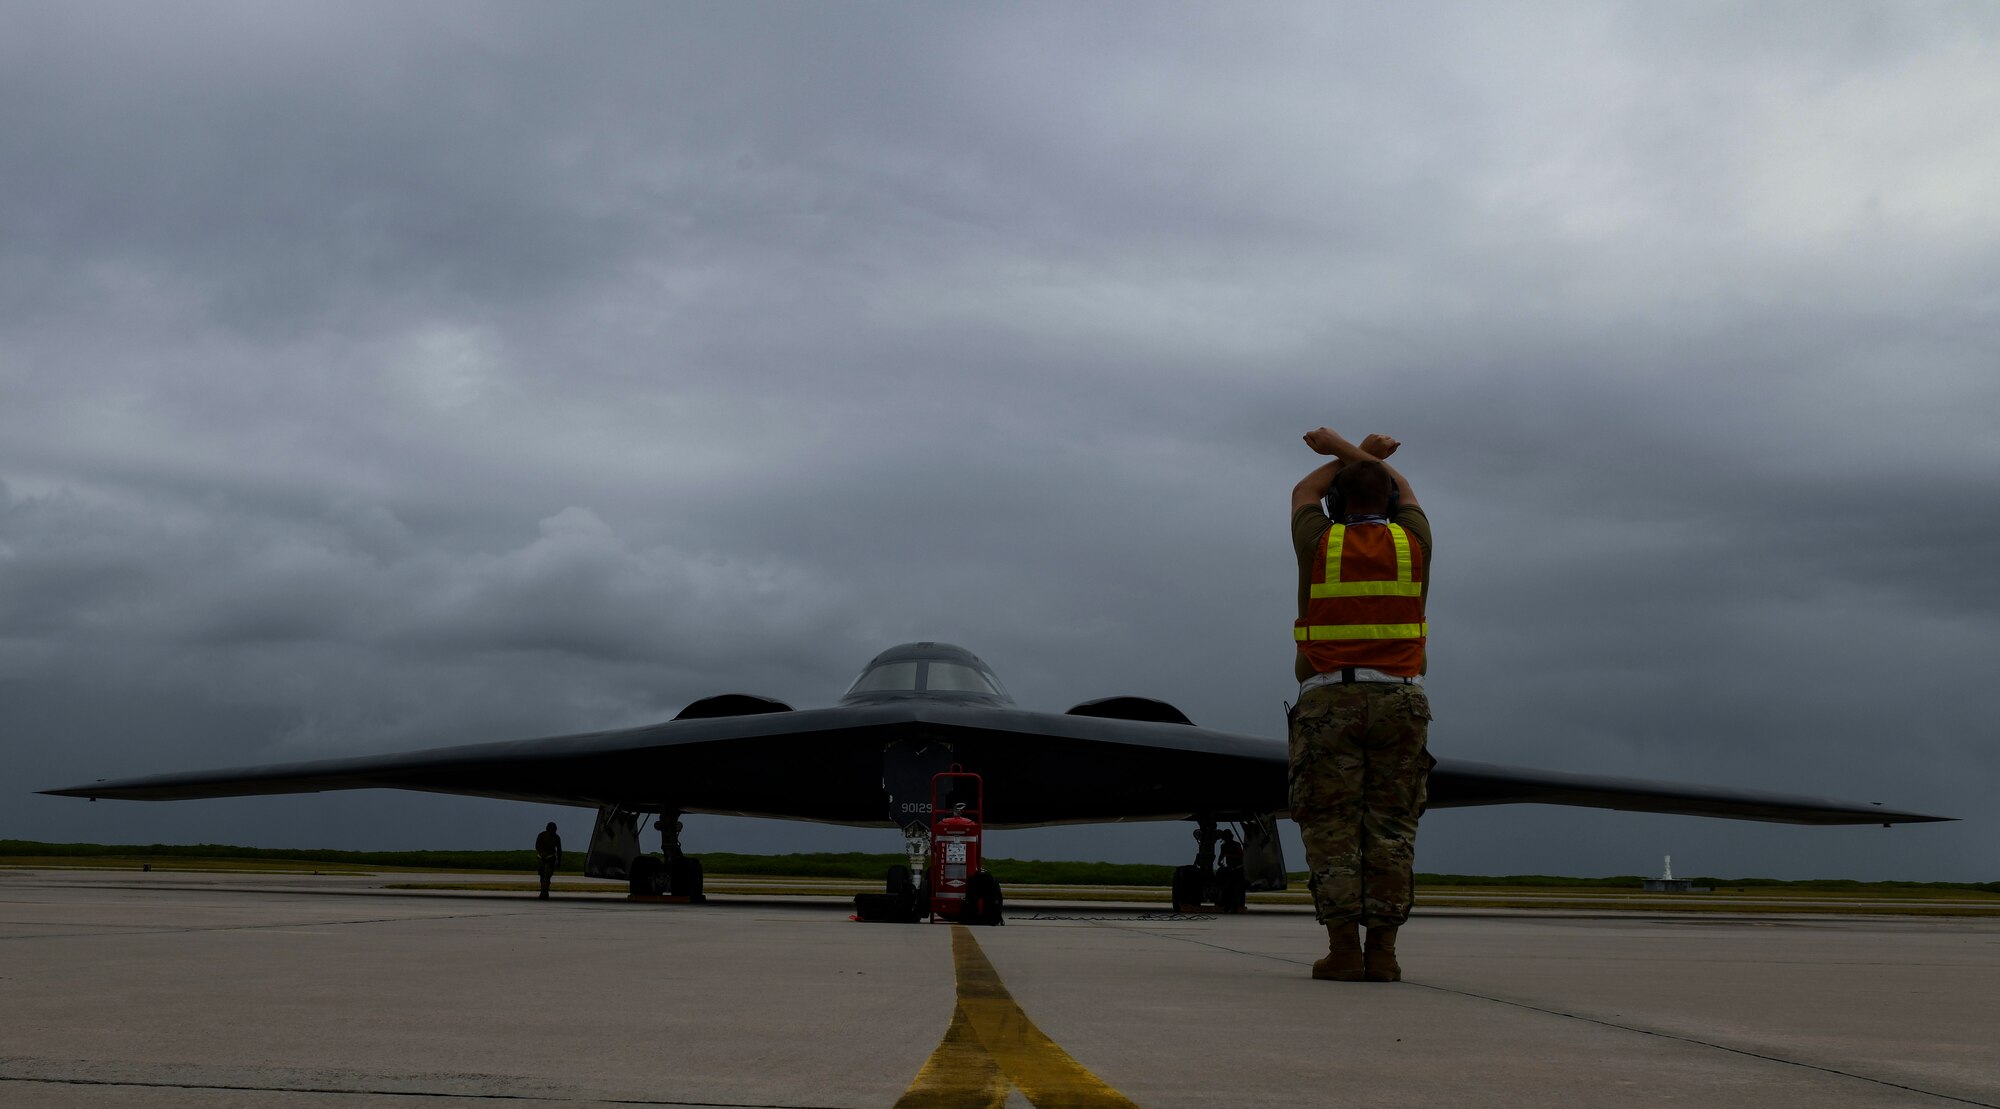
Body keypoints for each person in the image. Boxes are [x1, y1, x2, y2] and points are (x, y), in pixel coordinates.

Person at [1288, 425, 1433, 982]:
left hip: (1330, 701)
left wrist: (1347, 450)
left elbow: (1303, 490)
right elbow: (1408, 492)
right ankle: (1386, 954)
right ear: (1391, 503)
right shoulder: (1414, 542)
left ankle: (1344, 949)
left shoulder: (1318, 542)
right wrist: (1363, 455)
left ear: (1337, 504)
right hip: (1400, 700)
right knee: (1393, 826)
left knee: (1332, 825)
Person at [534, 822, 562, 899]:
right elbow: (537, 846)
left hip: (550, 859)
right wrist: (541, 853)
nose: (554, 831)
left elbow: (559, 850)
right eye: (553, 830)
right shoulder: (541, 835)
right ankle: (544, 891)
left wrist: (559, 861)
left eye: (555, 830)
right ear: (548, 829)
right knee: (542, 876)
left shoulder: (556, 838)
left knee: (547, 876)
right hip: (541, 858)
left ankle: (544, 892)